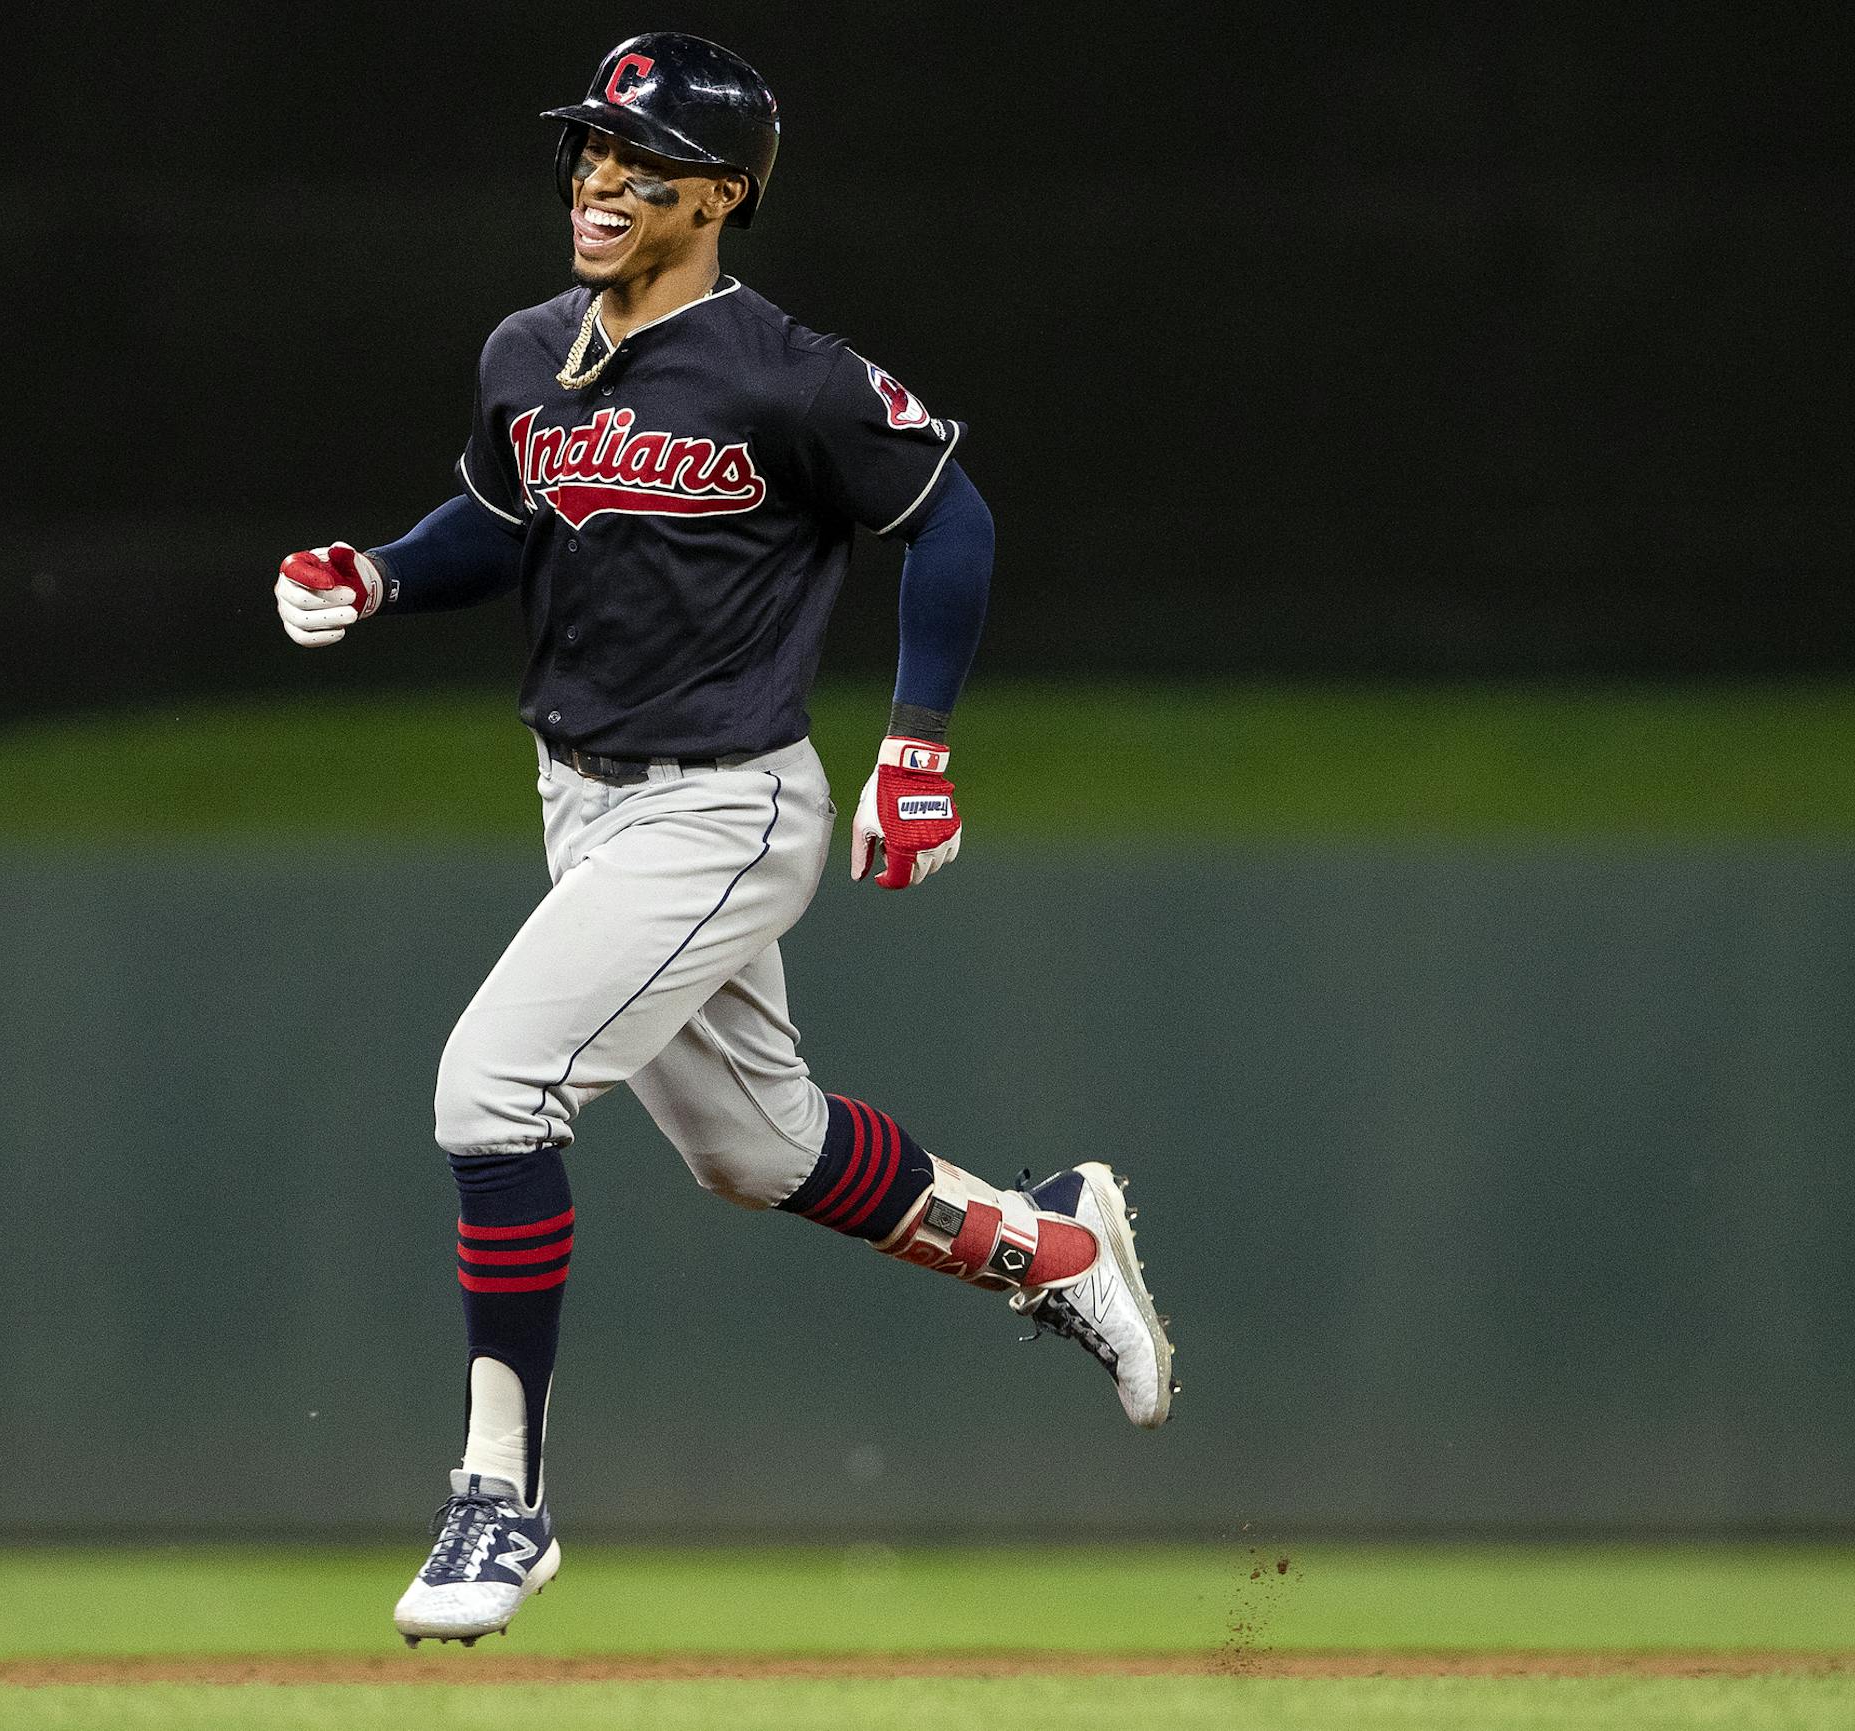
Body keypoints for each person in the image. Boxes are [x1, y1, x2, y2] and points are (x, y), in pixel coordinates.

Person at [272, 32, 1175, 1648]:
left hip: (723, 804)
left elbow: (949, 513)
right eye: (591, 150)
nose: (601, 181)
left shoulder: (786, 373)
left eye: (644, 163)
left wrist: (917, 746)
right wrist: (386, 573)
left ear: (722, 196)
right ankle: (1048, 1244)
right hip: (581, 797)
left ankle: (501, 1495)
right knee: (757, 1151)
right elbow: (500, 513)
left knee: (492, 1089)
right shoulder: (530, 352)